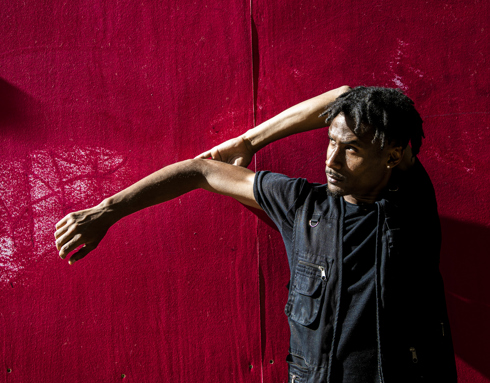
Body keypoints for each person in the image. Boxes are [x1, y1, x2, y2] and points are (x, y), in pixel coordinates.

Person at [54, 86, 457, 382]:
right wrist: (106, 211)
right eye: (330, 142)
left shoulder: (410, 205)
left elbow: (349, 91)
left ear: (393, 156)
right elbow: (201, 172)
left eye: (350, 148)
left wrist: (255, 138)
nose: (331, 159)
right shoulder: (303, 206)